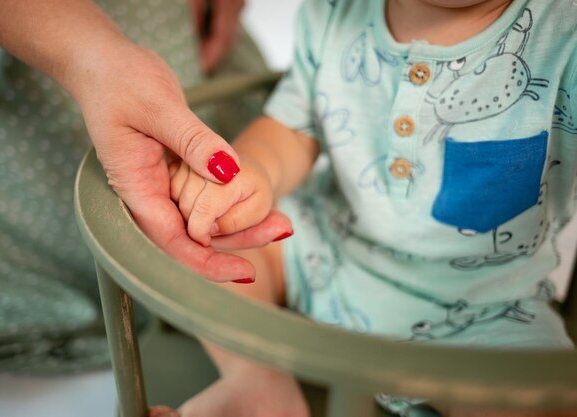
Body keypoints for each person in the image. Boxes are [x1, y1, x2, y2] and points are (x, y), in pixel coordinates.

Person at [167, 0, 577, 416]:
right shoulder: (337, 11)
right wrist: (253, 171)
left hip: (487, 314)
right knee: (206, 237)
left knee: (542, 402)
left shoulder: (565, 33)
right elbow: (294, 126)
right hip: (326, 250)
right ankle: (257, 382)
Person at [0, 0, 292, 376]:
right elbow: (299, 117)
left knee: (220, 234)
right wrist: (95, 60)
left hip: (170, 43)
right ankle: (256, 378)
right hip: (25, 62)